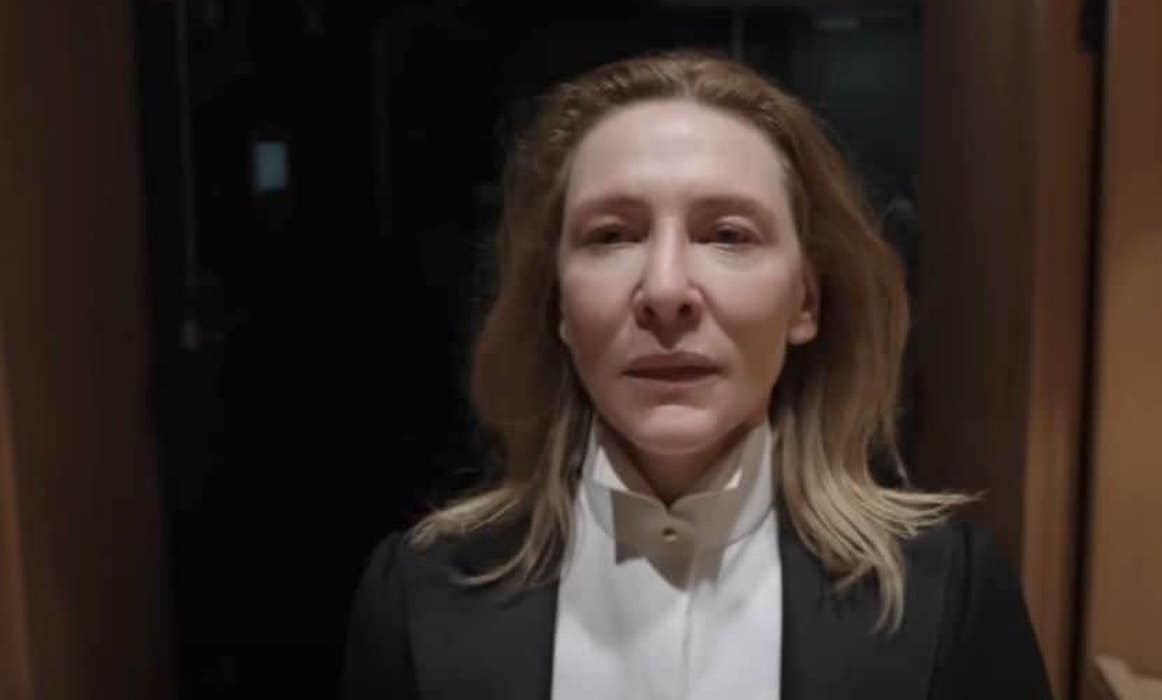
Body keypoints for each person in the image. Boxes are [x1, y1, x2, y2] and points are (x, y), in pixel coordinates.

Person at [341, 50, 1051, 700]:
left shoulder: (949, 598)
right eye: (612, 235)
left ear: (805, 300)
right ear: (558, 304)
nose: (665, 289)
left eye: (727, 235)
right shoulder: (416, 596)